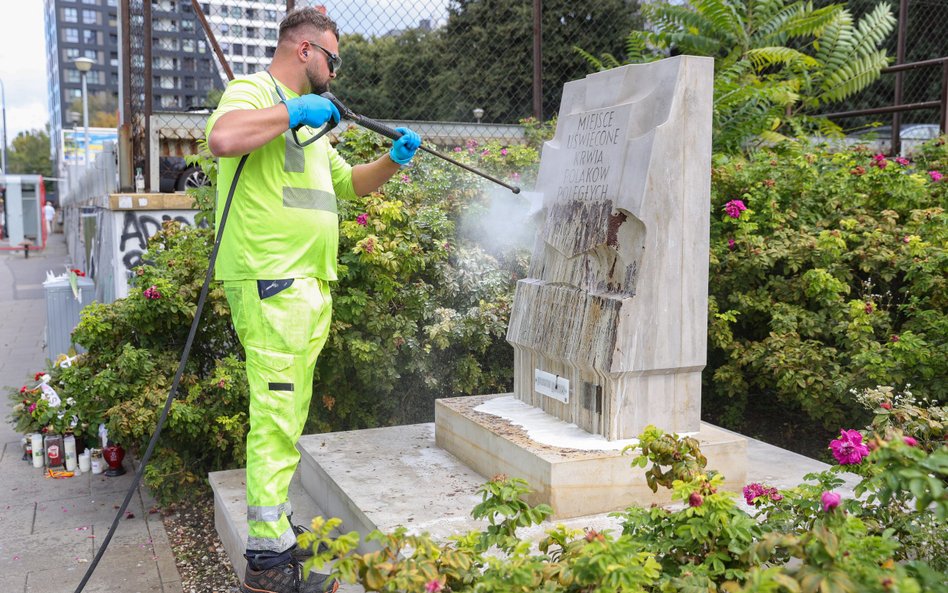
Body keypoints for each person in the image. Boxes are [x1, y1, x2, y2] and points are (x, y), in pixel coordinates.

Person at [205, 8, 421, 593]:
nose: (336, 69)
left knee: (287, 415)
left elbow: (350, 183)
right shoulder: (253, 92)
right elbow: (223, 139)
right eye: (333, 57)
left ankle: (275, 538)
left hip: (305, 285)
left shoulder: (310, 125)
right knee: (275, 417)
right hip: (273, 280)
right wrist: (293, 111)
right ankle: (267, 566)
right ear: (304, 51)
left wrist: (392, 162)